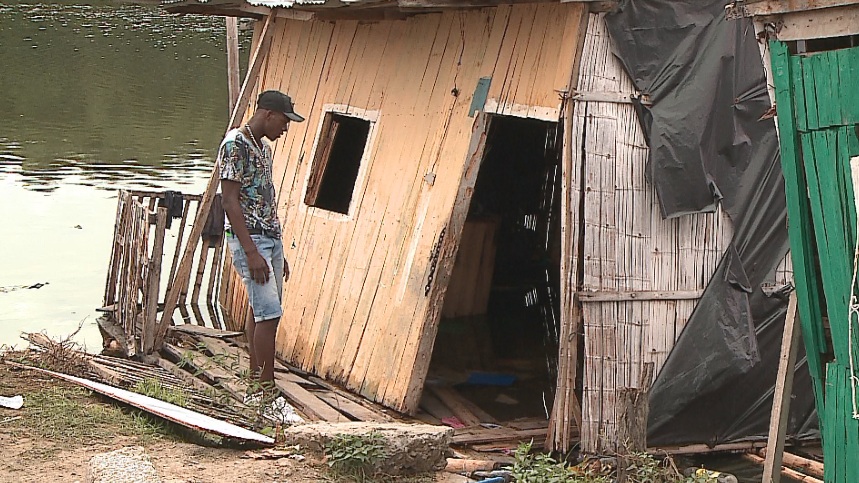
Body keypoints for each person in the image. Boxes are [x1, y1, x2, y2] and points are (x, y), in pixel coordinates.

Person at [218, 90, 304, 390]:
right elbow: (229, 201)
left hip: (270, 238)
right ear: (268, 114)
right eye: (284, 121)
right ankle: (266, 389)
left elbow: (265, 200)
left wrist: (279, 250)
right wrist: (251, 252)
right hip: (250, 239)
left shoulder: (263, 149)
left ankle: (256, 381)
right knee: (270, 315)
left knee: (262, 311)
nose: (285, 128)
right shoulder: (235, 145)